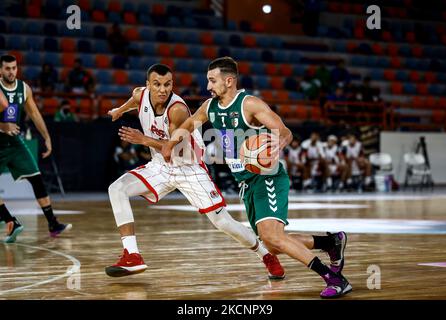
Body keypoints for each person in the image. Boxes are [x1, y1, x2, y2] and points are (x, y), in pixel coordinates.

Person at [162, 57, 352, 298]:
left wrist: (275, 146)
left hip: (267, 176)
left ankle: (334, 279)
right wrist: (170, 143)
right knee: (272, 244)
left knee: (272, 236)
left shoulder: (248, 104)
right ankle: (330, 243)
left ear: (228, 80)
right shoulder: (209, 107)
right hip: (246, 182)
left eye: (212, 80)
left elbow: (284, 130)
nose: (208, 86)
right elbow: (189, 124)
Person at [105, 64, 284, 279]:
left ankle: (266, 254)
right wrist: (119, 111)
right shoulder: (140, 94)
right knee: (117, 189)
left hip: (189, 167)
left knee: (222, 222)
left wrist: (142, 139)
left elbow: (174, 149)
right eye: (157, 84)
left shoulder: (177, 109)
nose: (163, 89)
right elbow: (134, 101)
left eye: (168, 84)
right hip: (161, 167)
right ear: (147, 85)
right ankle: (132, 255)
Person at [0, 54, 71, 242]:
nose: (11, 72)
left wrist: (47, 137)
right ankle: (10, 220)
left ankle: (52, 223)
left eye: (14, 68)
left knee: (36, 178)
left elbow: (34, 114)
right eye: (7, 68)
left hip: (14, 141)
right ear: (0, 70)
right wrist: (1, 126)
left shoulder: (24, 89)